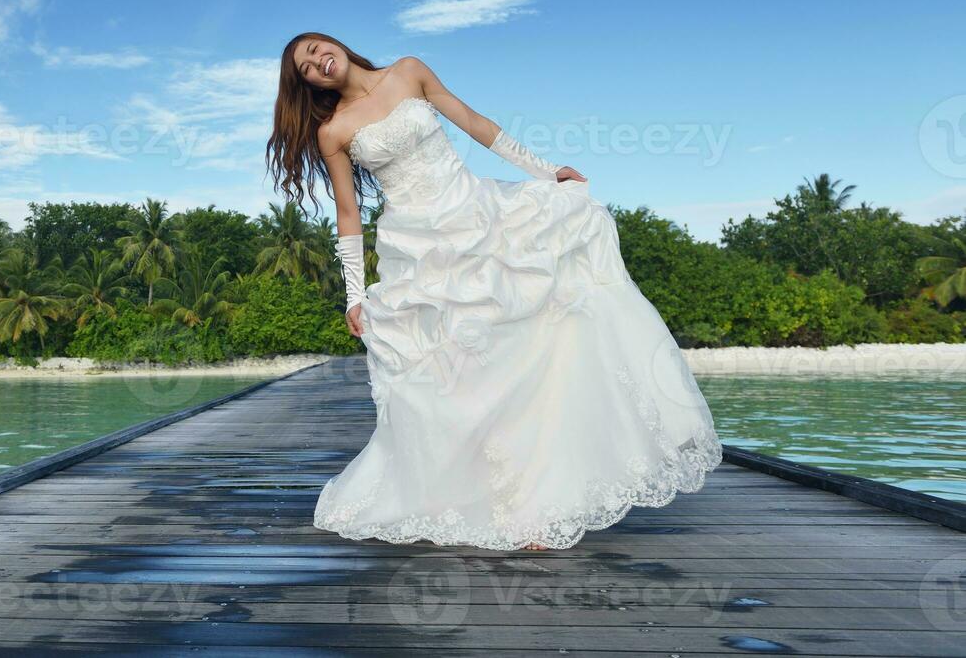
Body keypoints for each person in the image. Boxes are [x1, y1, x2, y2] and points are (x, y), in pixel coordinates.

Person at [265, 32, 722, 550]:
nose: (318, 61)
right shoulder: (334, 131)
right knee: (458, 379)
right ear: (306, 83)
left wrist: (547, 172)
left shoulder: (409, 71)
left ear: (336, 45)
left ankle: (538, 501)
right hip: (418, 251)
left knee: (524, 349)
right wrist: (353, 294)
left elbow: (477, 125)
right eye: (306, 66)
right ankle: (480, 493)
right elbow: (348, 216)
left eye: (318, 49)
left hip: (478, 219)